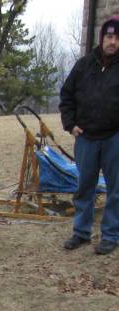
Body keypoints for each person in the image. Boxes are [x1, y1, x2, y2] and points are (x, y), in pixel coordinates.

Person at [59, 15, 119, 255]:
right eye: (109, 36)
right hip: (86, 138)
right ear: (102, 38)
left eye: (116, 37)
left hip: (115, 137)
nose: (112, 41)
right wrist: (70, 124)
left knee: (116, 189)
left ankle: (111, 235)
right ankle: (81, 233)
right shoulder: (84, 65)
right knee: (85, 186)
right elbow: (66, 96)